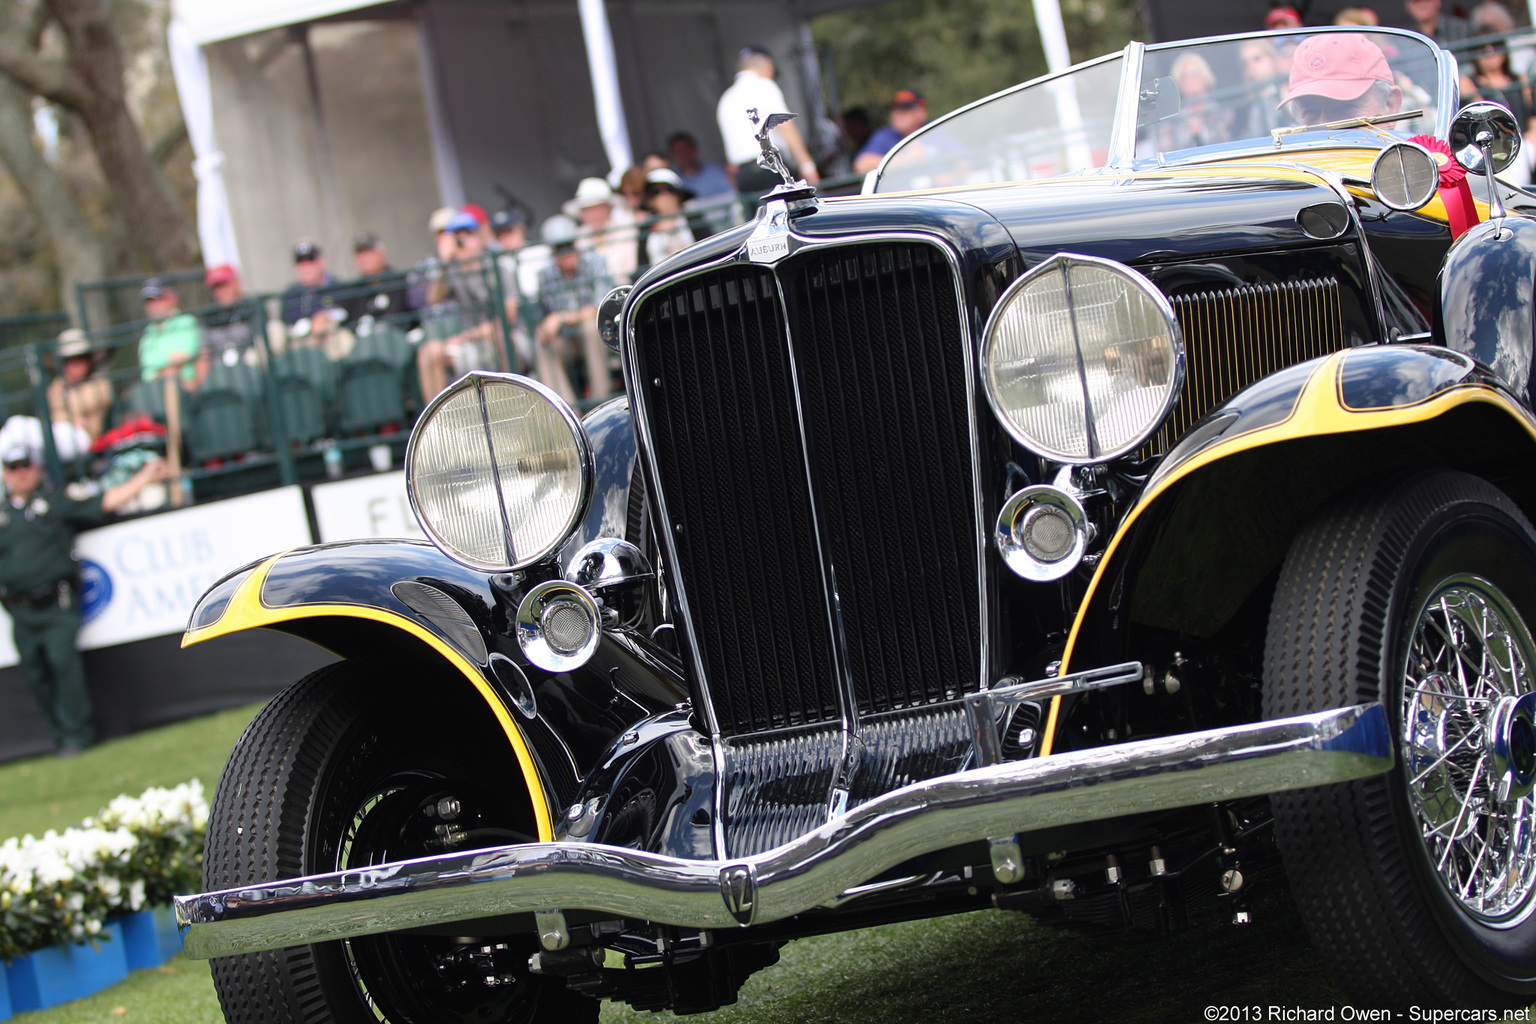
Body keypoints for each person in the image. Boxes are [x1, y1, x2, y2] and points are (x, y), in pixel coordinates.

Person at [0, 442, 168, 754]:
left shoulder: (54, 502)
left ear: (36, 468)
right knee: (36, 674)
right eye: (13, 467)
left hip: (56, 604)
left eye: (26, 465)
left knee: (64, 665)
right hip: (19, 611)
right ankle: (59, 735)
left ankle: (77, 737)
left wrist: (144, 478)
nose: (21, 473)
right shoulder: (2, 515)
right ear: (4, 473)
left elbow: (104, 501)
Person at [417, 211, 504, 401]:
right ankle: (439, 424)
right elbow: (434, 299)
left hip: (505, 339)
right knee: (429, 352)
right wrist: (445, 262)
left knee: (499, 335)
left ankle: (515, 401)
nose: (463, 239)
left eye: (468, 233)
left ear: (479, 236)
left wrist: (465, 337)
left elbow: (507, 317)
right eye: (457, 235)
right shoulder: (453, 270)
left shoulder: (496, 263)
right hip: (469, 345)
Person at [716, 45, 821, 197]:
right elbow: (786, 126)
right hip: (769, 168)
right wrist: (807, 166)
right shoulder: (764, 86)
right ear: (767, 64)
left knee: (759, 218)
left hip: (744, 176)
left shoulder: (726, 98)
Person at [535, 216, 613, 405]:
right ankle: (566, 411)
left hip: (600, 336)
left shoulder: (594, 262)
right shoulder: (546, 275)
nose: (566, 252)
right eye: (559, 248)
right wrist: (545, 329)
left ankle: (600, 403)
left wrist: (562, 318)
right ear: (552, 252)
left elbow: (599, 309)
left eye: (569, 245)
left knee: (589, 327)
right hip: (568, 340)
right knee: (542, 345)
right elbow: (545, 319)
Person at [1278, 33, 1403, 124]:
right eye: (1311, 112)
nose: (1324, 124)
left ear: (1390, 105)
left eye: (1344, 108)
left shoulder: (1415, 158)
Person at [564, 177, 639, 285]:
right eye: (589, 209)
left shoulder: (625, 228)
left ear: (609, 208)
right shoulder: (578, 237)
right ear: (581, 214)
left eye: (599, 207)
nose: (595, 214)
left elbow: (629, 267)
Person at [46, 329, 112, 441]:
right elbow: (54, 415)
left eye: (81, 358)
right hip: (60, 434)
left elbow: (88, 403)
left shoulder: (99, 383)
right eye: (70, 360)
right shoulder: (56, 385)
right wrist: (72, 419)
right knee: (16, 425)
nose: (76, 365)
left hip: (87, 437)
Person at [137, 279, 204, 387]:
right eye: (148, 301)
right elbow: (147, 369)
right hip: (152, 388)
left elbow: (181, 357)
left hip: (183, 386)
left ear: (172, 298)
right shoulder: (148, 332)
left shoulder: (186, 322)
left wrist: (159, 369)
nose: (152, 306)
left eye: (157, 299)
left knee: (170, 379)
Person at [342, 231, 412, 331]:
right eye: (361, 254)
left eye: (369, 252)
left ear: (382, 253)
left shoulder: (399, 280)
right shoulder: (352, 290)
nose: (365, 258)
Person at [854, 89, 933, 174]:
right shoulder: (886, 135)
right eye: (895, 108)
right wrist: (903, 161)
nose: (898, 113)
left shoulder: (935, 130)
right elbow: (860, 165)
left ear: (921, 112)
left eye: (905, 108)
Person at [200, 264, 259, 367]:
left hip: (251, 366)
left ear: (237, 282)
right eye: (216, 287)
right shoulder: (209, 316)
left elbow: (261, 340)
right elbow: (204, 352)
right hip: (221, 371)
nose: (221, 291)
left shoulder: (252, 307)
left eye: (224, 285)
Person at [641, 168, 696, 267]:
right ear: (650, 200)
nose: (664, 195)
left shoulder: (693, 219)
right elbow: (641, 266)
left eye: (669, 189)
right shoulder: (645, 228)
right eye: (656, 192)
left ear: (679, 195)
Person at [668, 131, 733, 198]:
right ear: (673, 154)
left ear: (694, 149)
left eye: (686, 149)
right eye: (679, 151)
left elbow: (731, 193)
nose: (683, 154)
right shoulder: (671, 178)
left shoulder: (714, 171)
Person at [1405, 0, 1471, 47]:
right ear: (1409, 6)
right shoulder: (1407, 38)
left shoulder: (1462, 29)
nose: (1422, 6)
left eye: (1426, 1)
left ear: (1437, 2)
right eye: (1417, 2)